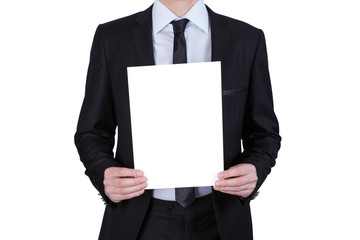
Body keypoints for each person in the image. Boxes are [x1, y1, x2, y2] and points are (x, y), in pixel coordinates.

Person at [74, 0, 281, 239]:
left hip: (220, 218)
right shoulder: (112, 37)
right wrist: (104, 172)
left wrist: (255, 168)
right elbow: (92, 131)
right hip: (140, 218)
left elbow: (264, 133)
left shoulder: (246, 38)